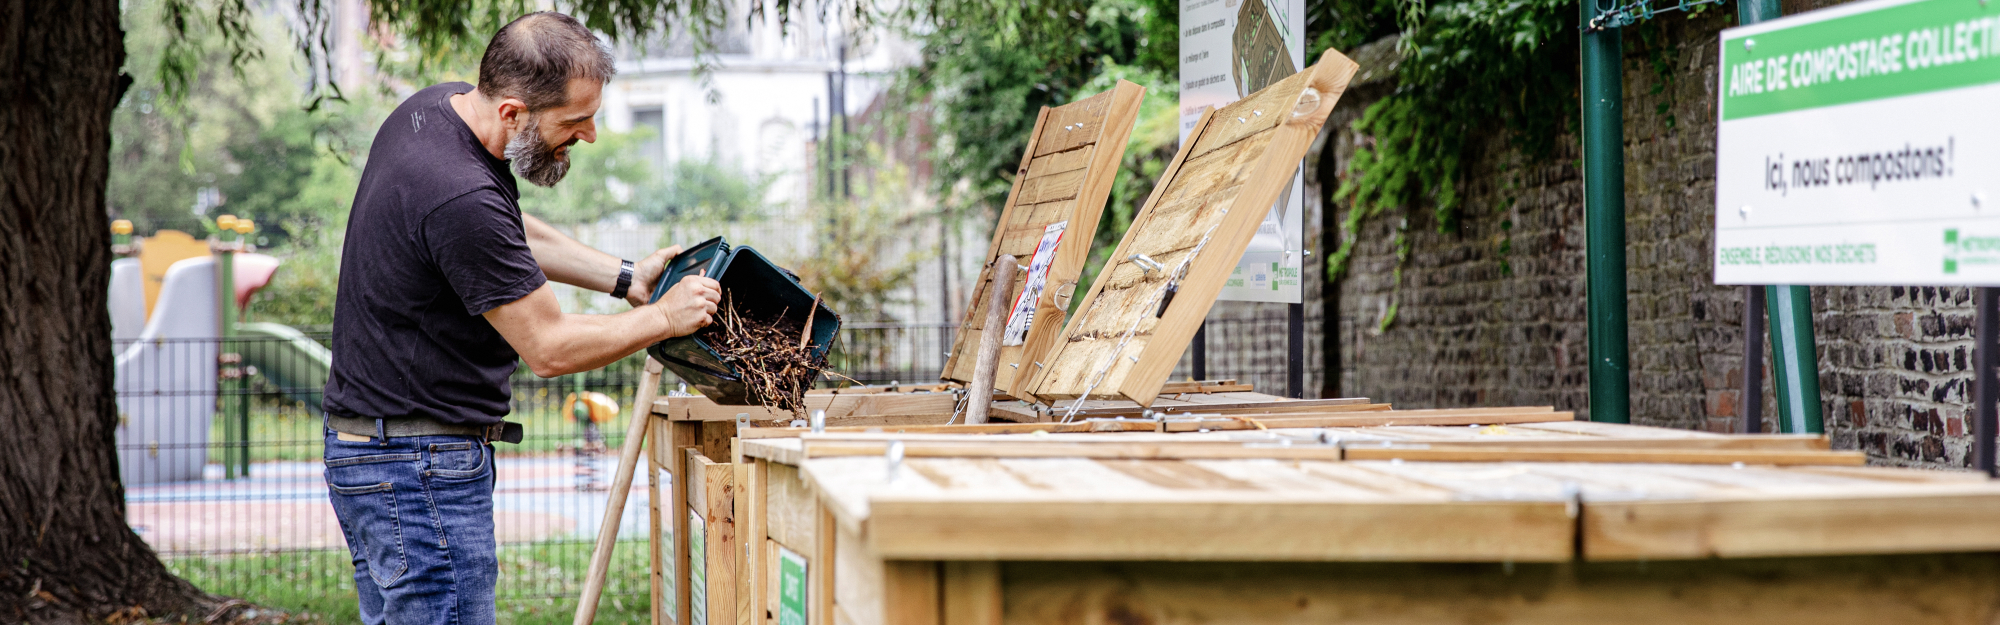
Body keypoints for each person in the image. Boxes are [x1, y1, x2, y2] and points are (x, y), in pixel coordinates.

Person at [321, 11, 720, 624]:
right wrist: (665, 318)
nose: (587, 136)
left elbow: (506, 235)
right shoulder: (457, 192)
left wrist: (626, 278)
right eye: (574, 121)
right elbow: (550, 347)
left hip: (376, 454)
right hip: (418, 468)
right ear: (513, 111)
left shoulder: (435, 113)